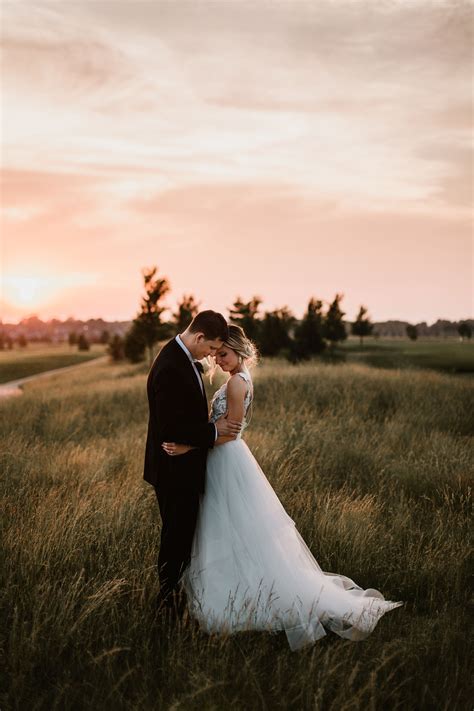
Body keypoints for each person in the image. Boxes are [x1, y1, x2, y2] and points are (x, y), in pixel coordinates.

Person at [162, 324, 403, 651]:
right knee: (235, 531)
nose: (218, 360)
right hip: (227, 459)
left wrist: (189, 446)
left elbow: (230, 432)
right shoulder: (242, 378)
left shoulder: (235, 383)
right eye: (217, 354)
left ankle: (245, 598)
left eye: (224, 354)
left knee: (231, 527)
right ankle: (234, 588)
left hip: (226, 459)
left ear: (239, 352)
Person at [144, 310, 242, 613]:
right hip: (173, 470)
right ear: (199, 337)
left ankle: (178, 598)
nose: (212, 355)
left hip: (184, 466)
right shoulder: (171, 365)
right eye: (212, 348)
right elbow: (169, 428)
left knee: (183, 538)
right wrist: (214, 430)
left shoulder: (183, 359)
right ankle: (167, 606)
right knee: (176, 540)